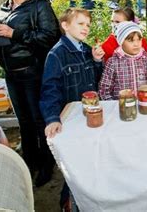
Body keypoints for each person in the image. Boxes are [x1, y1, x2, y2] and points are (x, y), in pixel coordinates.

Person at [0, 0, 60, 187]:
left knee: (37, 120)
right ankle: (29, 162)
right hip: (12, 74)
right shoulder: (6, 6)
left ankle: (46, 165)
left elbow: (50, 37)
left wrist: (15, 33)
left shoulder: (38, 6)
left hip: (33, 74)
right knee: (24, 122)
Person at [40, 8, 105, 138]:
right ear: (65, 26)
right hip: (71, 115)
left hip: (91, 111)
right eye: (80, 24)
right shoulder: (56, 54)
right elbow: (50, 89)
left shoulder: (87, 50)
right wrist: (52, 118)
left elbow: (97, 80)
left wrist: (97, 61)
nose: (85, 28)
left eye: (88, 25)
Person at [99, 22, 147, 100]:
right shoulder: (113, 62)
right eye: (131, 40)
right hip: (122, 108)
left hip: (144, 105)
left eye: (139, 39)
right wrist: (113, 106)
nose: (136, 44)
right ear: (121, 42)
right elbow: (104, 89)